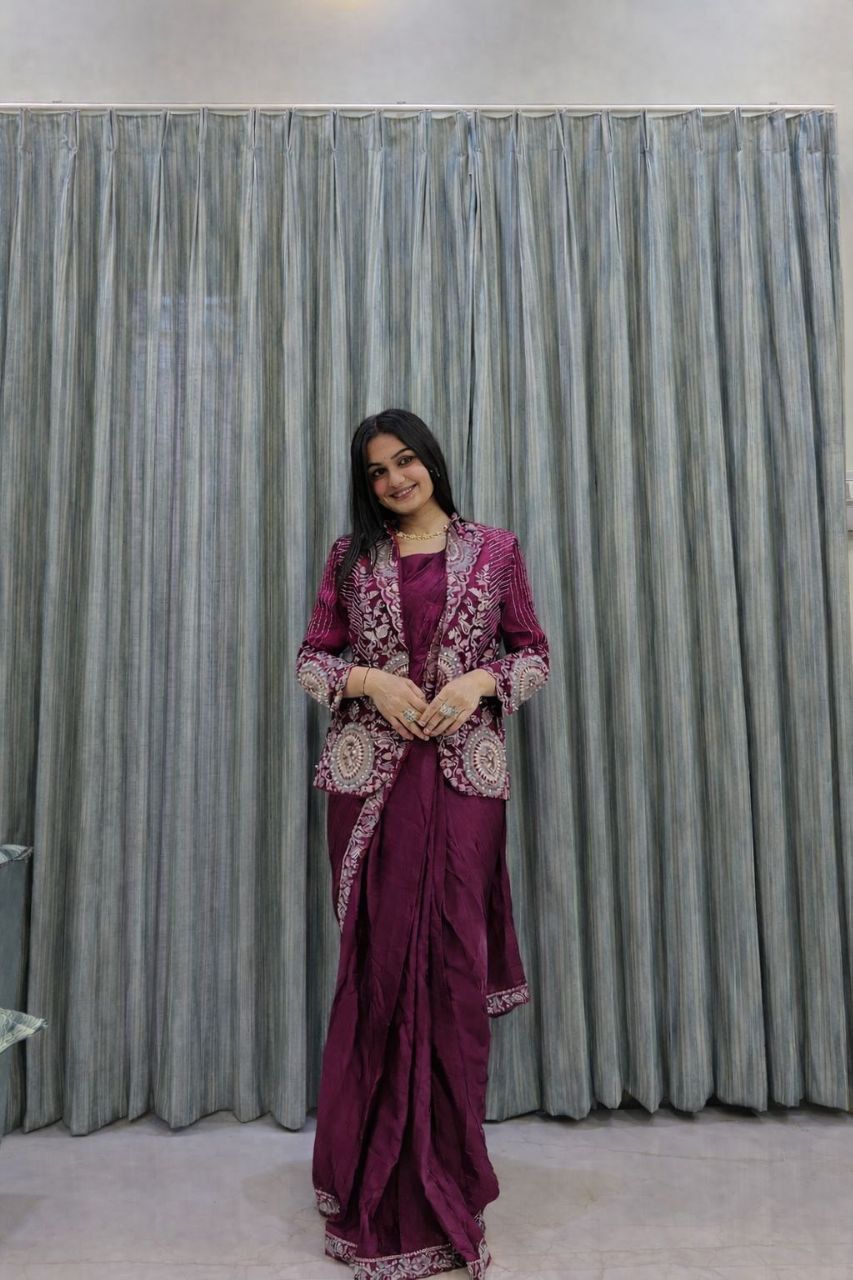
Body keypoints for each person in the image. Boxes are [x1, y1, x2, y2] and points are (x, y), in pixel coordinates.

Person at [295, 408, 550, 1279]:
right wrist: (370, 680)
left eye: (405, 461)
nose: (395, 479)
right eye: (376, 471)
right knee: (378, 972)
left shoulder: (496, 551)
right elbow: (312, 660)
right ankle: (366, 1177)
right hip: (369, 784)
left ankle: (449, 1184)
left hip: (460, 784)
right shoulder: (349, 559)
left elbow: (533, 655)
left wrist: (478, 682)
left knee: (447, 969)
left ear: (431, 461)